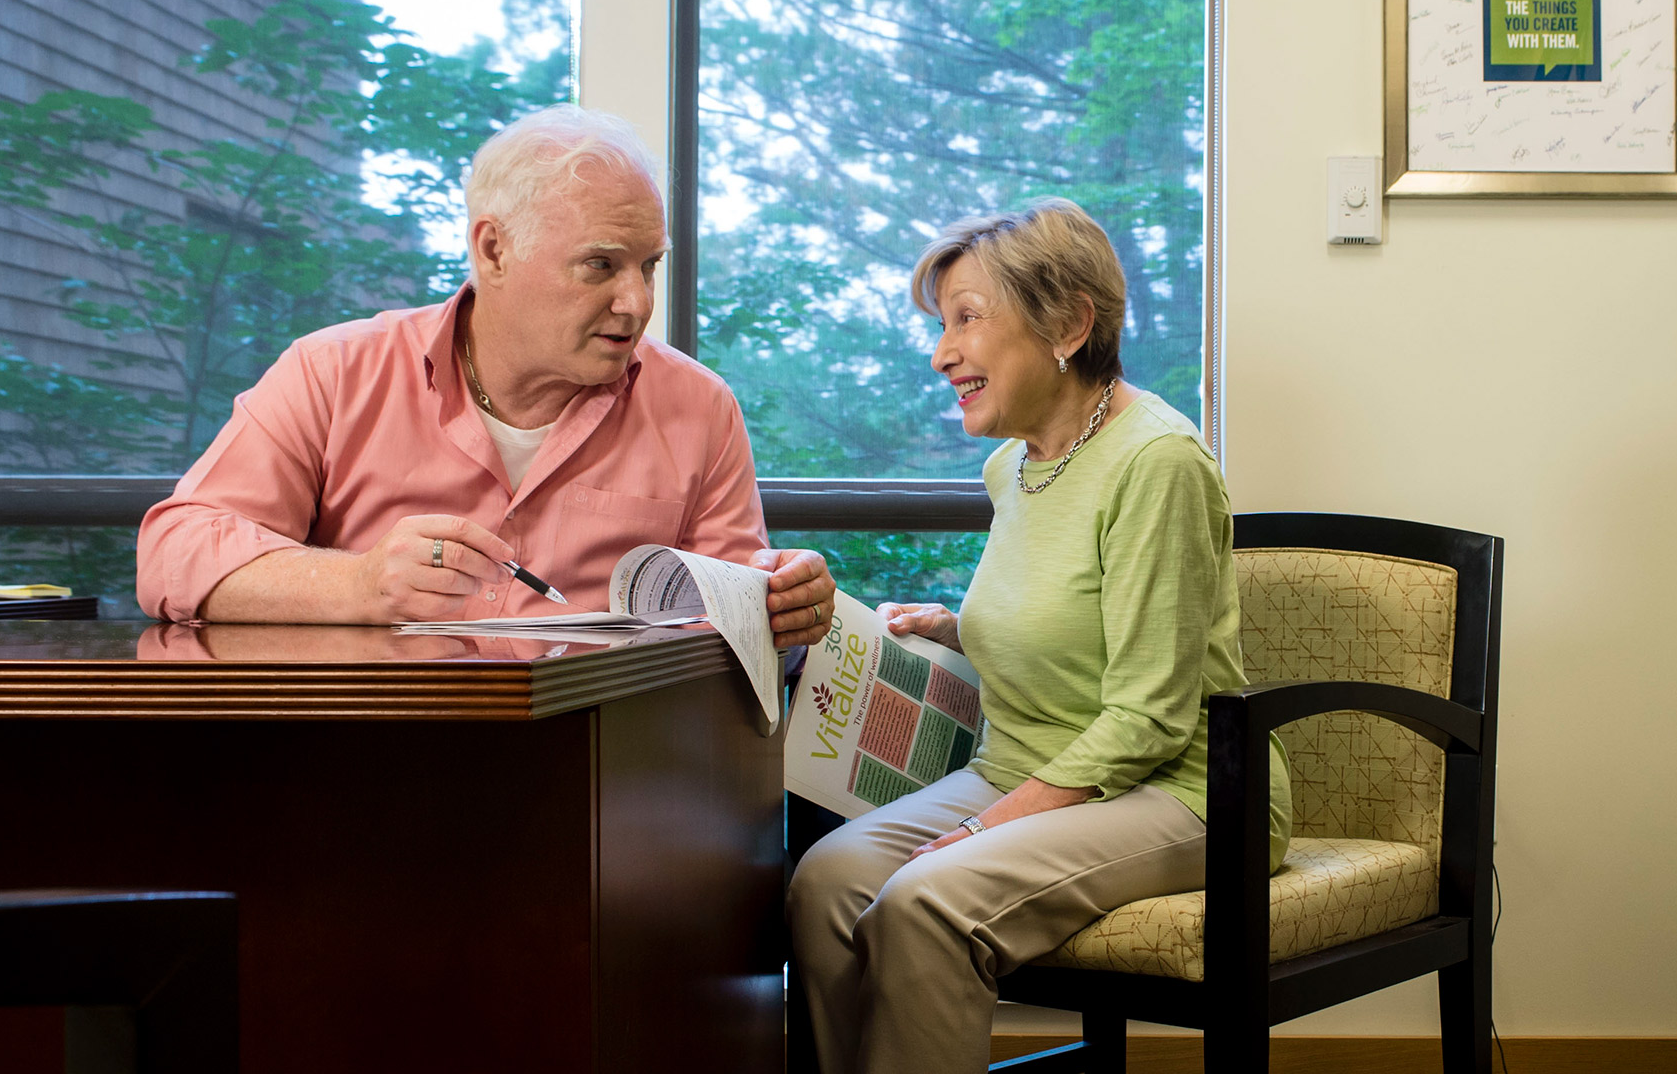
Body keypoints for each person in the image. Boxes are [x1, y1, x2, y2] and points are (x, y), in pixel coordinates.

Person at [787, 198, 1288, 1074]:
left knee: (927, 901)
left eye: (967, 320)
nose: (942, 353)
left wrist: (986, 830)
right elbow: (1067, 615)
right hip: (1024, 764)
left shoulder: (1156, 462)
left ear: (1067, 322)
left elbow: (1148, 719)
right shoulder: (1011, 464)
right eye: (942, 326)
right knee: (826, 883)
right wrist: (952, 628)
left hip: (1186, 793)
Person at [135, 106, 835, 642]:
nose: (639, 302)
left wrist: (780, 614)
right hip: (372, 764)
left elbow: (736, 638)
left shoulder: (699, 407)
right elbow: (175, 551)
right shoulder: (332, 373)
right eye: (602, 265)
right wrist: (360, 584)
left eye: (649, 265)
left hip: (599, 778)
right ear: (494, 250)